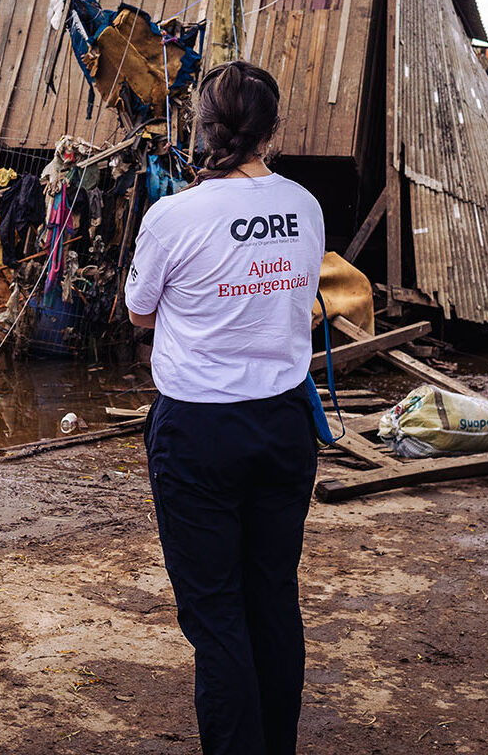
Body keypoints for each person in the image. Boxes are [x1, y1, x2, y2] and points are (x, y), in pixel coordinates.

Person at [124, 61, 326, 755]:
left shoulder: (172, 214)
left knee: (214, 615)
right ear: (272, 129)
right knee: (271, 597)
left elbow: (139, 313)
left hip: (199, 431)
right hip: (283, 424)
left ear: (200, 129)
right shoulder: (305, 205)